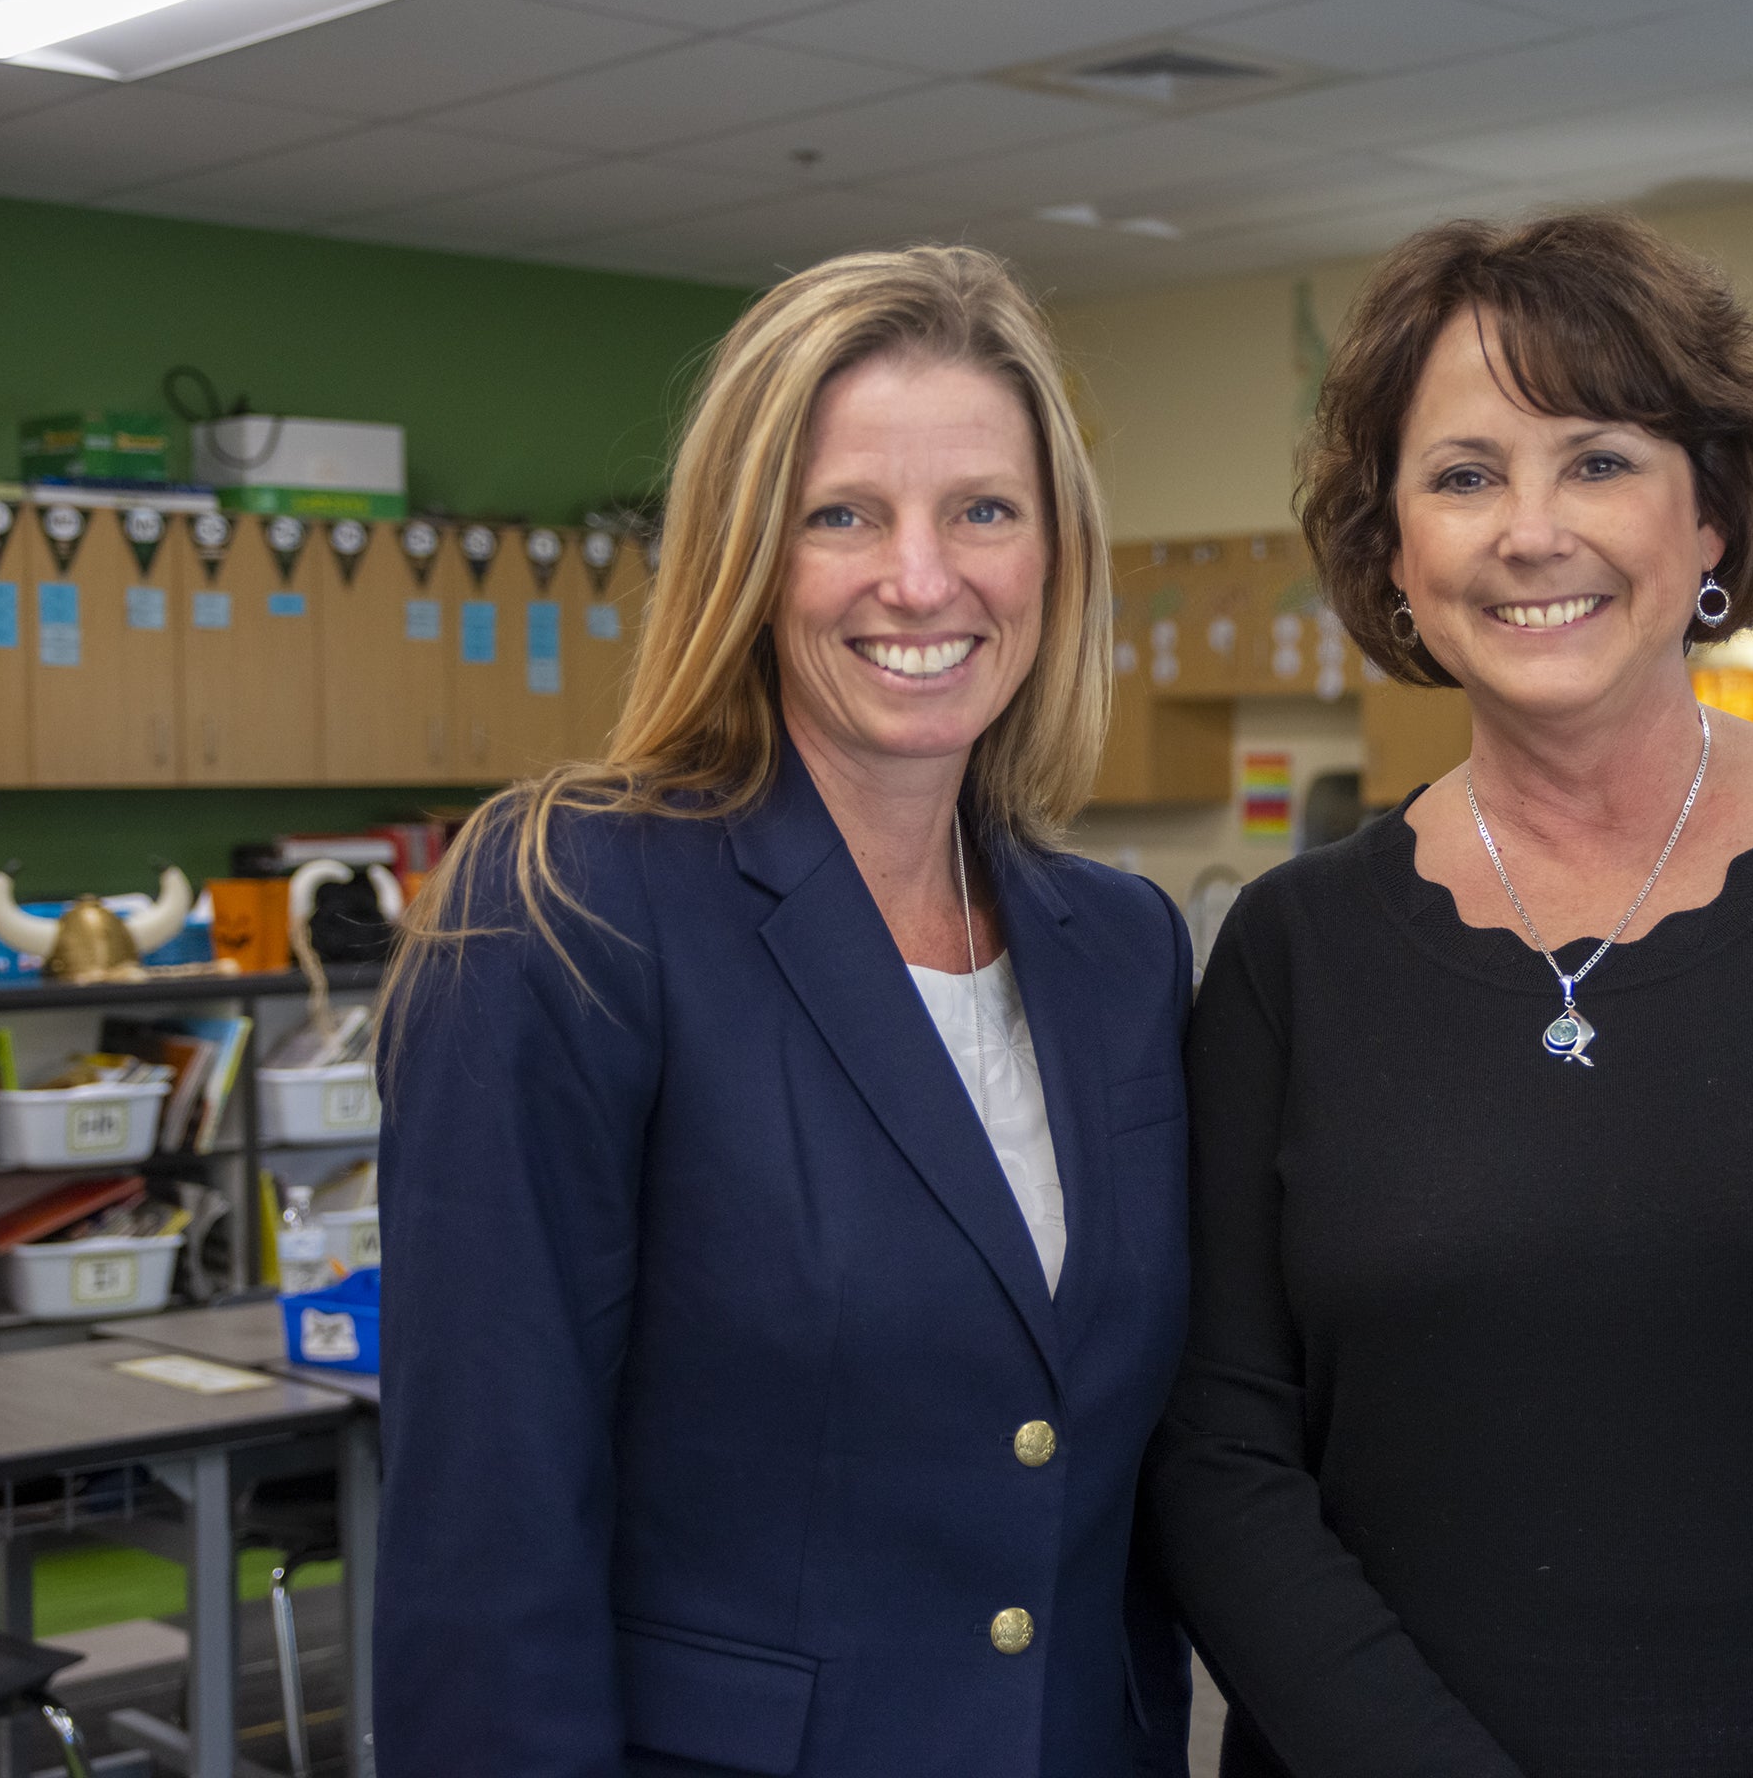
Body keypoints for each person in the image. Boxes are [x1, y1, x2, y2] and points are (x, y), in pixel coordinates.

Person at [1148, 213, 1753, 1778]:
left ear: (1714, 525)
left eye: (1599, 460)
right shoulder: (1289, 952)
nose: (1532, 530)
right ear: (1396, 555)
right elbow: (1217, 1455)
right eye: (1464, 475)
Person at [376, 246, 1193, 1778]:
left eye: (983, 512)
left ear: (1055, 554)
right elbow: (485, 1542)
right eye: (843, 516)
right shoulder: (568, 910)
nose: (922, 578)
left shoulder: (1123, 949)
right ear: (744, 552)